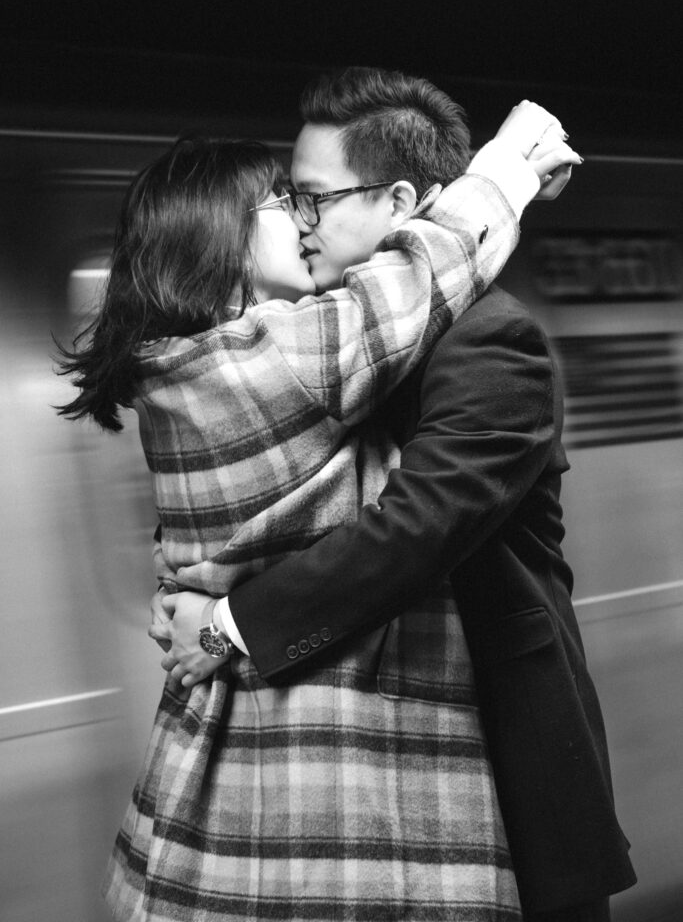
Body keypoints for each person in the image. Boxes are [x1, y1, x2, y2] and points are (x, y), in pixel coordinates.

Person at [57, 93, 574, 922]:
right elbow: (420, 271)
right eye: (281, 202)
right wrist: (507, 163)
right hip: (319, 775)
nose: (300, 220)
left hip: (214, 761)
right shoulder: (277, 360)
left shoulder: (181, 369)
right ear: (218, 235)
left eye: (310, 199)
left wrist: (212, 613)